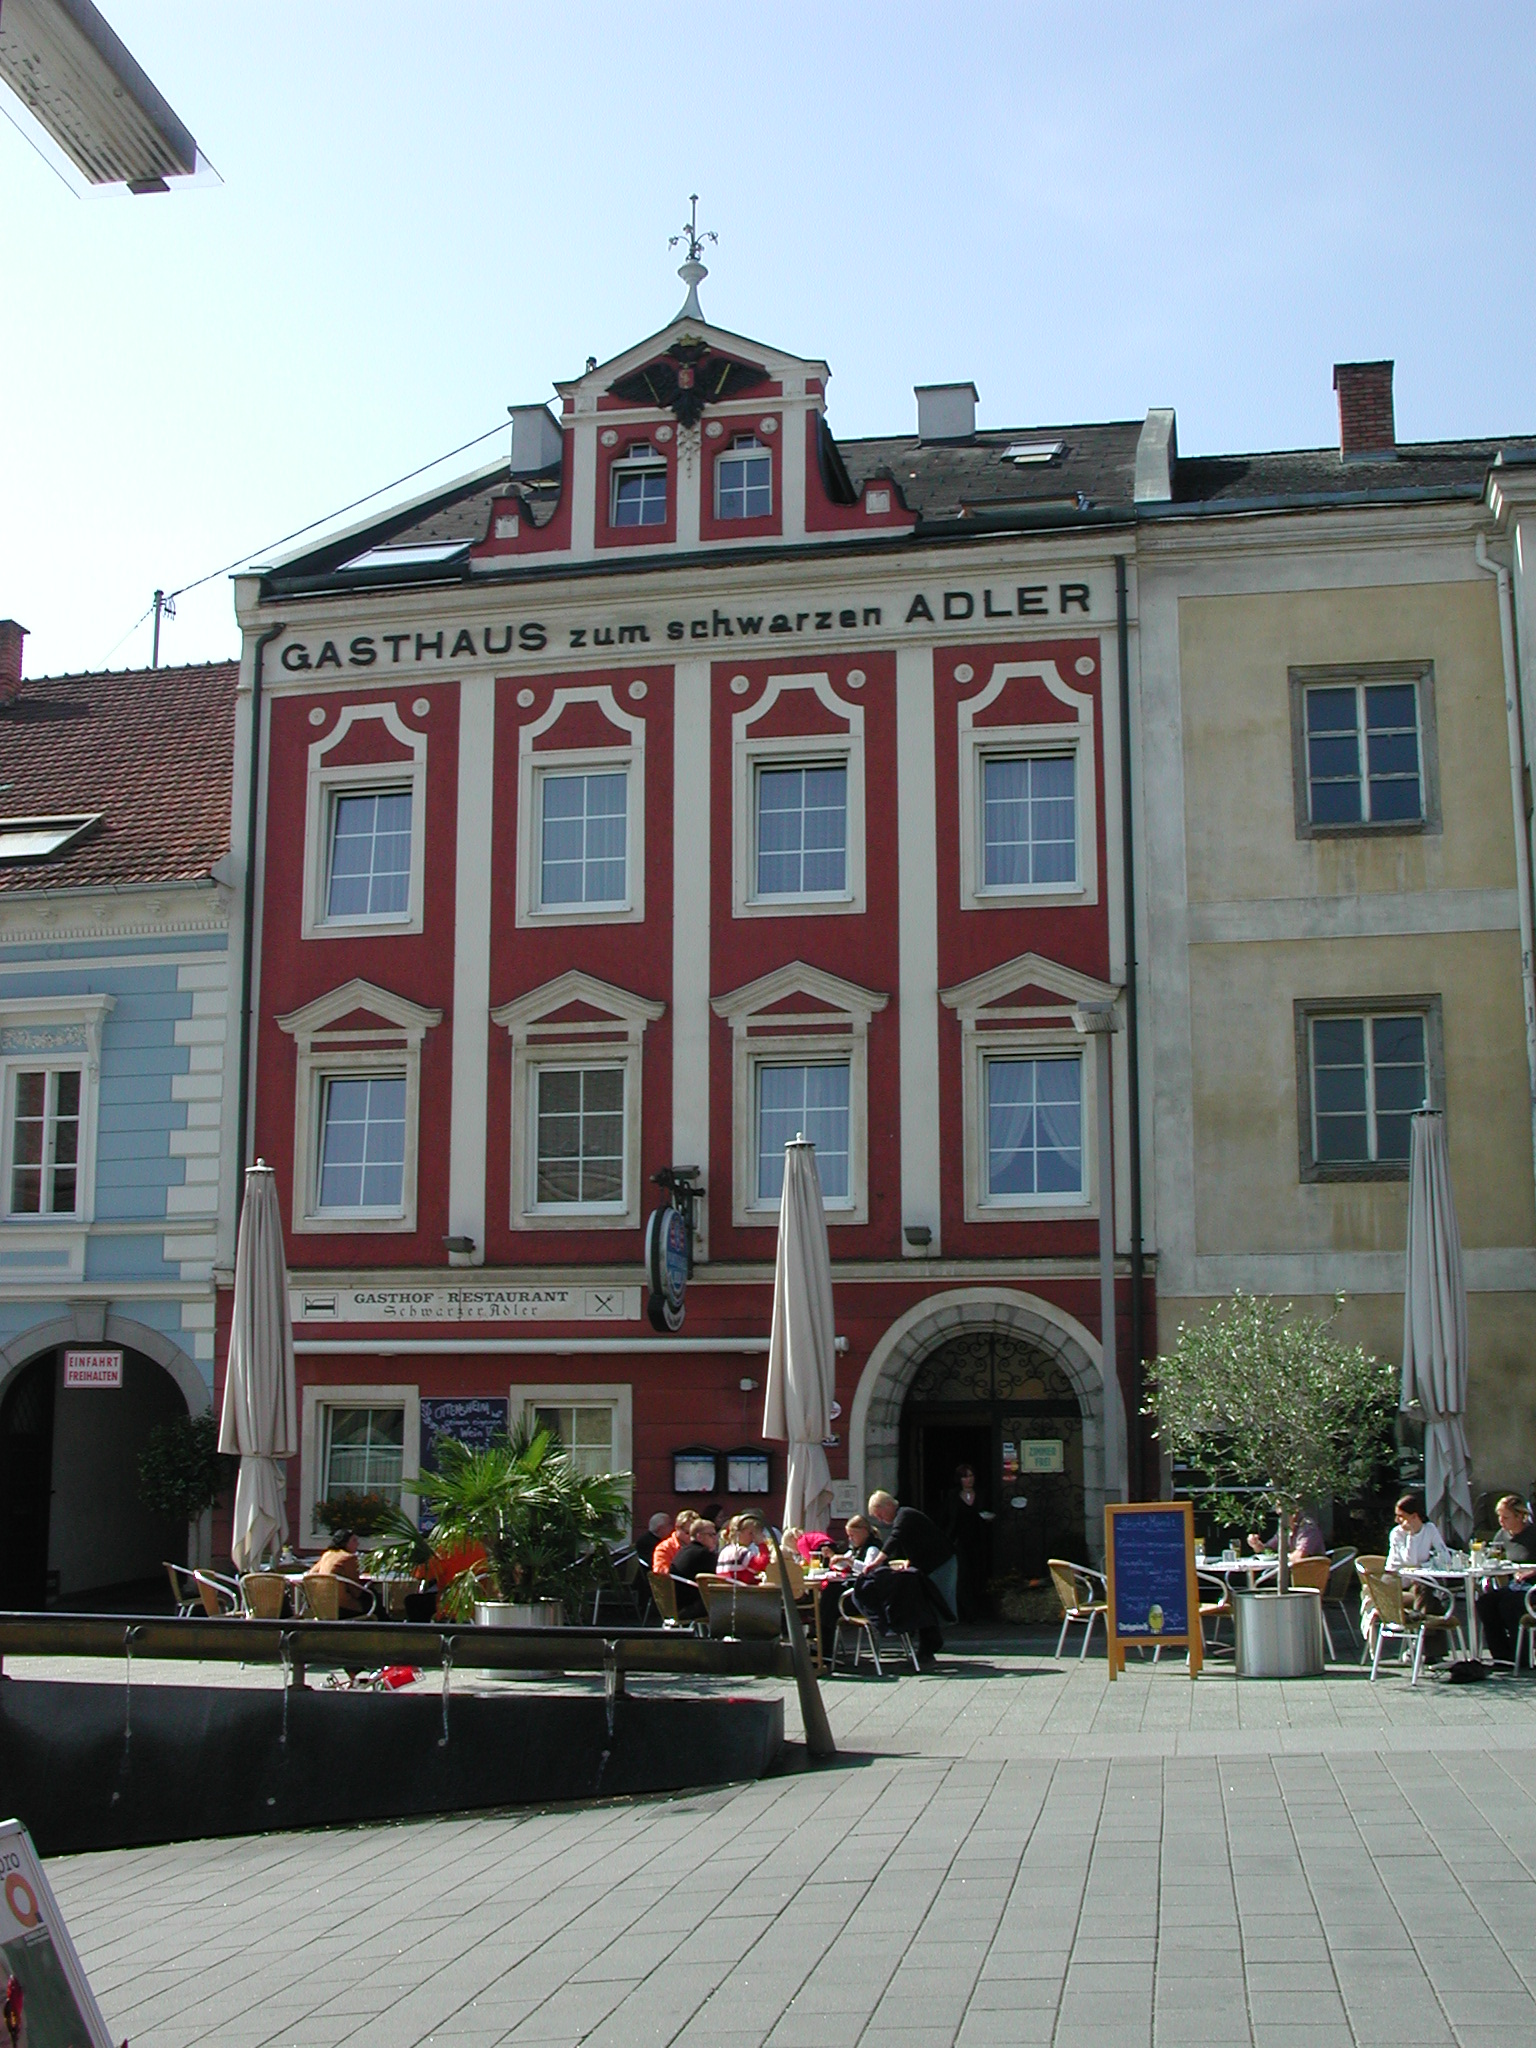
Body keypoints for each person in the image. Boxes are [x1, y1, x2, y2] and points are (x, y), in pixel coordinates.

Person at [859, 1489, 956, 1666]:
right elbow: (918, 1540)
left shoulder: (905, 1514)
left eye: (880, 1515)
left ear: (888, 1505)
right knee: (925, 1604)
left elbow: (895, 1538)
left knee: (935, 1604)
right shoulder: (904, 1517)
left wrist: (875, 1563)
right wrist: (909, 1560)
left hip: (941, 1563)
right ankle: (928, 1648)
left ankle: (930, 1646)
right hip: (928, 1563)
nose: (881, 1521)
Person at [1476, 1495, 1536, 1664]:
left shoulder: (1532, 1534)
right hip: (1513, 1585)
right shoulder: (1501, 1536)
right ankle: (1501, 1656)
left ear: (1520, 1516)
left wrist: (1530, 1571)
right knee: (1485, 1602)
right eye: (1499, 1517)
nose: (1501, 1521)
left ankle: (1520, 1656)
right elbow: (1496, 1558)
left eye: (1506, 1517)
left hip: (1532, 1586)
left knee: (1509, 1604)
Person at [940, 1463, 993, 1621]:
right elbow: (946, 1518)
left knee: (979, 1573)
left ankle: (980, 1611)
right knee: (963, 1576)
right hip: (960, 1541)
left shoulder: (982, 1494)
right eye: (965, 1476)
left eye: (970, 1476)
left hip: (979, 1540)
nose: (968, 1480)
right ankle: (966, 1613)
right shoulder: (952, 1495)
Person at [309, 1528, 367, 1616]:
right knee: (374, 1596)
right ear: (344, 1542)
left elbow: (312, 1573)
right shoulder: (348, 1557)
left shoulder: (328, 1554)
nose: (358, 1543)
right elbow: (356, 1590)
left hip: (324, 1606)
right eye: (354, 1540)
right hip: (343, 1606)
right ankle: (385, 1625)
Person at [1247, 1507, 1327, 1562]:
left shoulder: (1307, 1527)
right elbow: (1268, 1550)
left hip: (1309, 1575)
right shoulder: (1285, 1528)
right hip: (1291, 1574)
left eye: (1282, 1514)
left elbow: (1300, 1555)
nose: (1280, 1519)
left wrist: (1279, 1559)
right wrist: (1256, 1544)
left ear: (1294, 1512)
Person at [650, 1511, 695, 1579]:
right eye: (687, 1533)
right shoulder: (664, 1548)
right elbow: (660, 1573)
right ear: (677, 1528)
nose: (692, 1537)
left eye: (694, 1534)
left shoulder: (700, 1545)